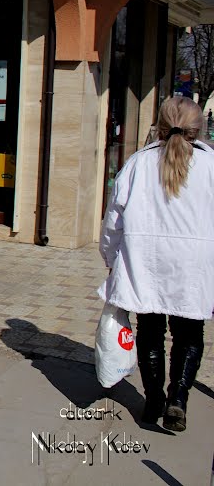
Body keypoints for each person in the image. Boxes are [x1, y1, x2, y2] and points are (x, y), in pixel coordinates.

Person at [98, 96, 214, 432]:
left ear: (160, 126)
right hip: (195, 262)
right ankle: (178, 398)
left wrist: (110, 255)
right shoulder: (210, 165)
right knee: (190, 331)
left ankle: (153, 400)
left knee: (150, 329)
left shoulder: (138, 163)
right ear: (198, 128)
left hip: (145, 259)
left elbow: (114, 217)